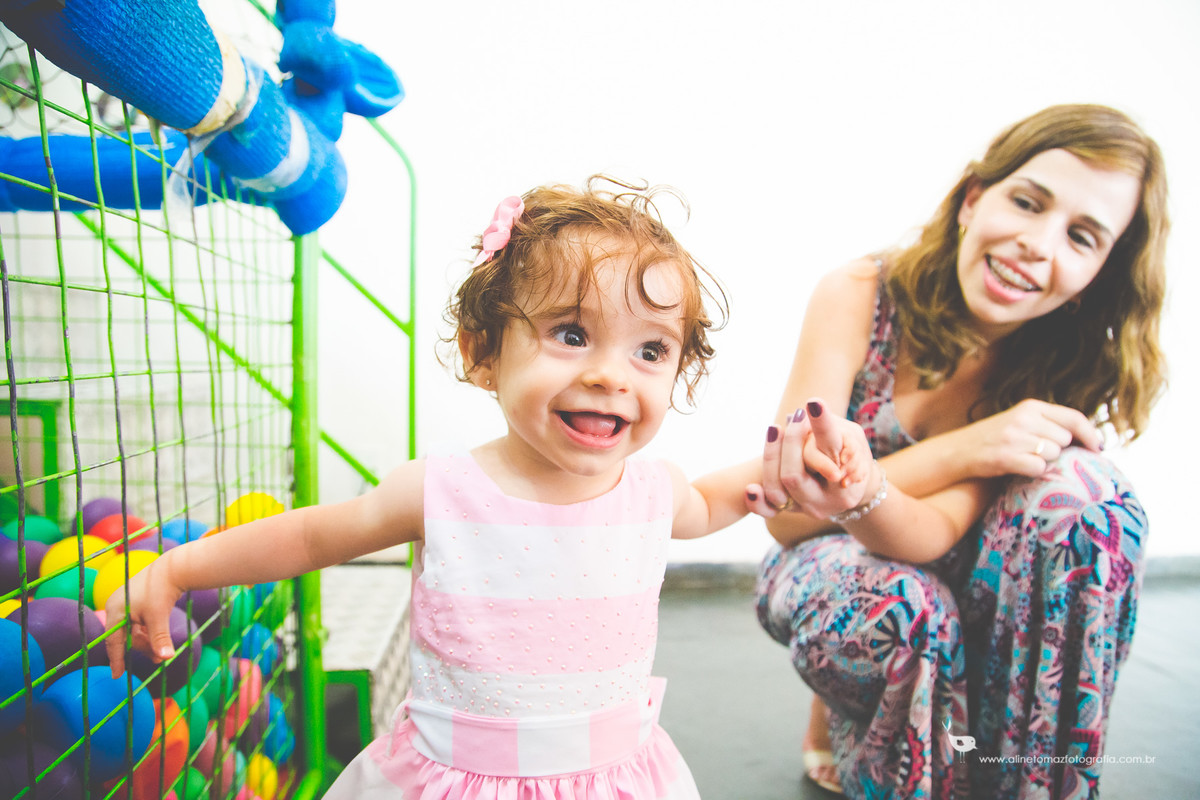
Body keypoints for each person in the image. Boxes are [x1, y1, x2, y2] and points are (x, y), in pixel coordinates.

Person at [103, 175, 871, 799]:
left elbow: (710, 500)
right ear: (482, 353)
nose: (609, 374)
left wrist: (790, 471)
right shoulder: (443, 491)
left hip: (613, 779)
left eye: (649, 350)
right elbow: (307, 536)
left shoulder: (650, 491)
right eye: (571, 335)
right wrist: (177, 568)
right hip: (454, 781)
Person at [752, 104, 1168, 799]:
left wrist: (894, 480)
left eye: (1082, 237)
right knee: (907, 607)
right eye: (1028, 203)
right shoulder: (861, 295)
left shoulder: (1057, 372)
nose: (1039, 244)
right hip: (821, 558)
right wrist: (971, 447)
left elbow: (936, 533)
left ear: (1099, 271)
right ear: (974, 200)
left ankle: (1024, 778)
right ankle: (884, 746)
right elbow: (788, 515)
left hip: (948, 559)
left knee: (1089, 499)